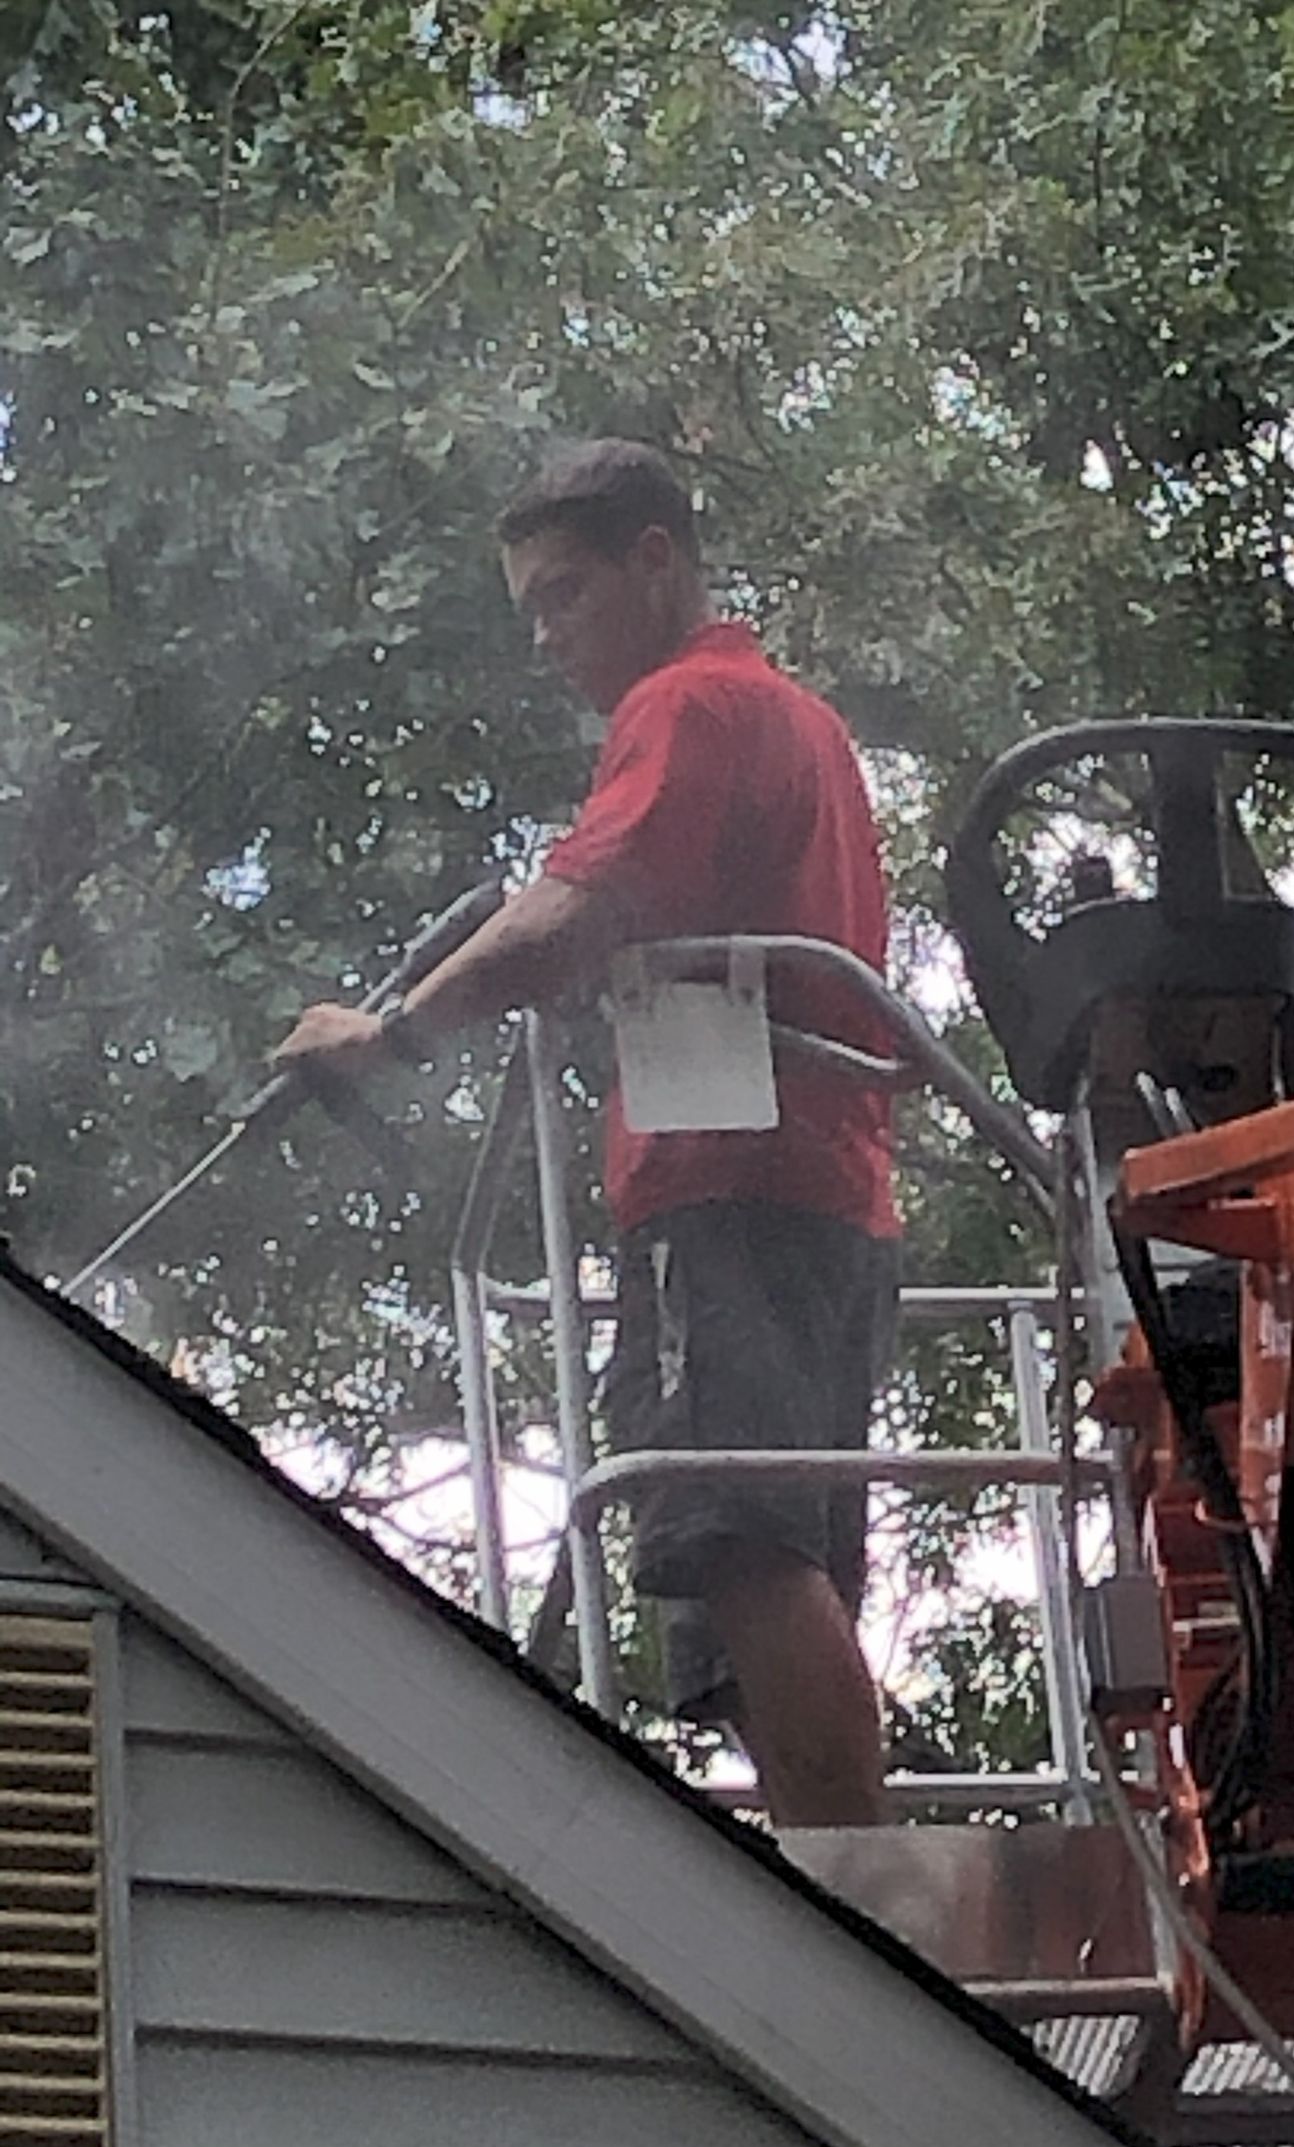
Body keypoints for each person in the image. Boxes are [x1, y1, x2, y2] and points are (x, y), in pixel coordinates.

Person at [275, 438, 898, 1826]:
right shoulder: (801, 722)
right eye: (532, 611)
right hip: (827, 1193)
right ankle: (843, 1885)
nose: (549, 638)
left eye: (565, 596)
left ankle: (871, 1908)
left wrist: (392, 1033)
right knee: (754, 1573)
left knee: (743, 1548)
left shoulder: (693, 708)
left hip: (729, 1184)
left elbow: (582, 906)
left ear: (655, 561)